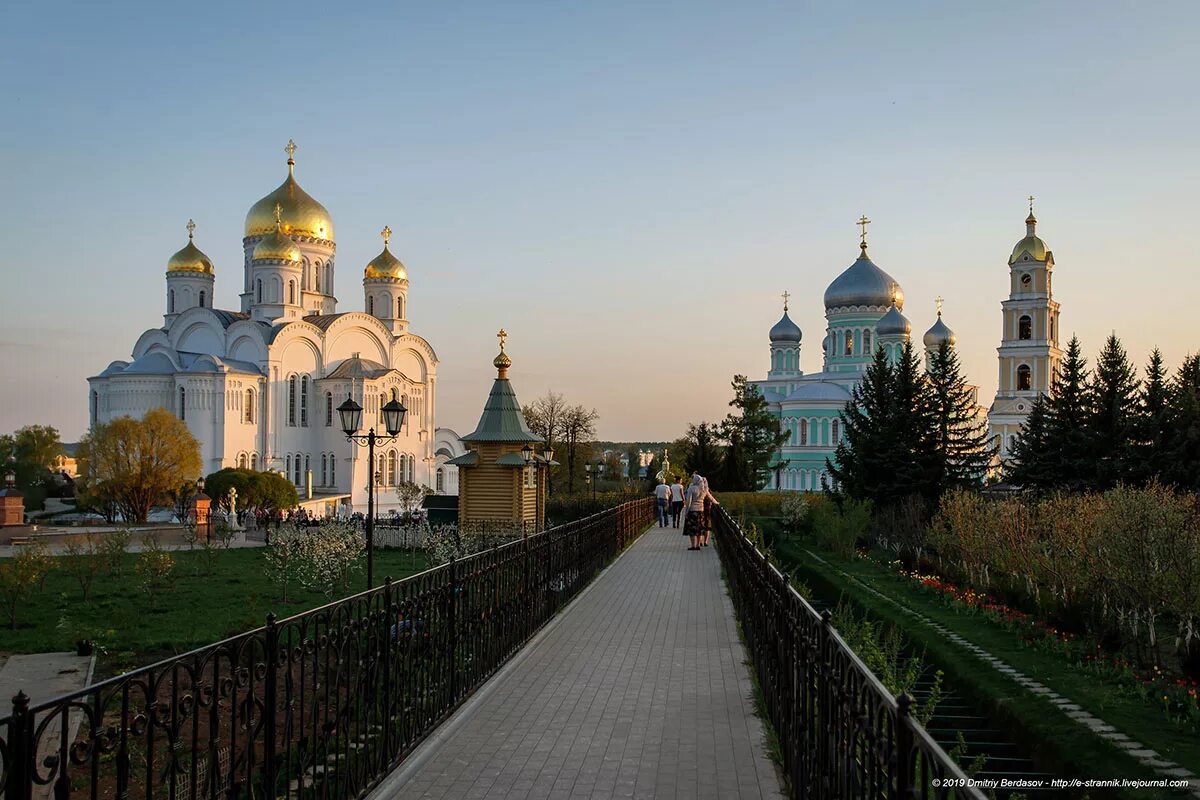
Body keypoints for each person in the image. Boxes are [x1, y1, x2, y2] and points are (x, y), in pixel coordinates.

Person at [683, 473, 718, 550]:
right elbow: (710, 497)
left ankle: (693, 545)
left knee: (692, 529)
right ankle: (698, 544)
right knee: (699, 529)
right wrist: (716, 503)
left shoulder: (691, 488)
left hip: (692, 511)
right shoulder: (704, 489)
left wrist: (686, 512)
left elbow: (688, 501)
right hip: (701, 511)